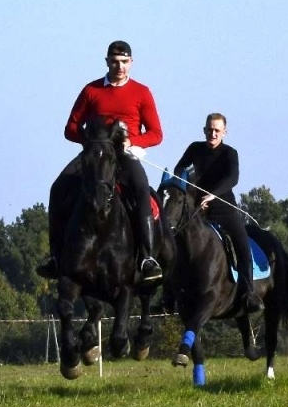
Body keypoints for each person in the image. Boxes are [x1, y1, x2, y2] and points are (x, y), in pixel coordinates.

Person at [37, 40, 164, 283]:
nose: (120, 67)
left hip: (124, 155)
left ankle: (147, 258)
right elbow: (71, 127)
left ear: (131, 63)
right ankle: (55, 256)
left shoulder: (142, 92)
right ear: (107, 62)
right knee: (58, 187)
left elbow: (156, 133)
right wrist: (91, 140)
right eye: (115, 62)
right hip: (94, 155)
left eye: (124, 62)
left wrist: (132, 141)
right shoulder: (91, 91)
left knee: (140, 190)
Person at [174, 113, 257, 314]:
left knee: (243, 246)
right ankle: (171, 293)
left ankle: (248, 294)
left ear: (224, 133)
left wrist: (212, 195)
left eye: (217, 130)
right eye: (209, 129)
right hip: (197, 208)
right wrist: (187, 187)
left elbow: (233, 178)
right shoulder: (195, 148)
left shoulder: (230, 153)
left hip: (224, 206)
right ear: (204, 130)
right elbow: (179, 168)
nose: (213, 133)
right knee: (175, 242)